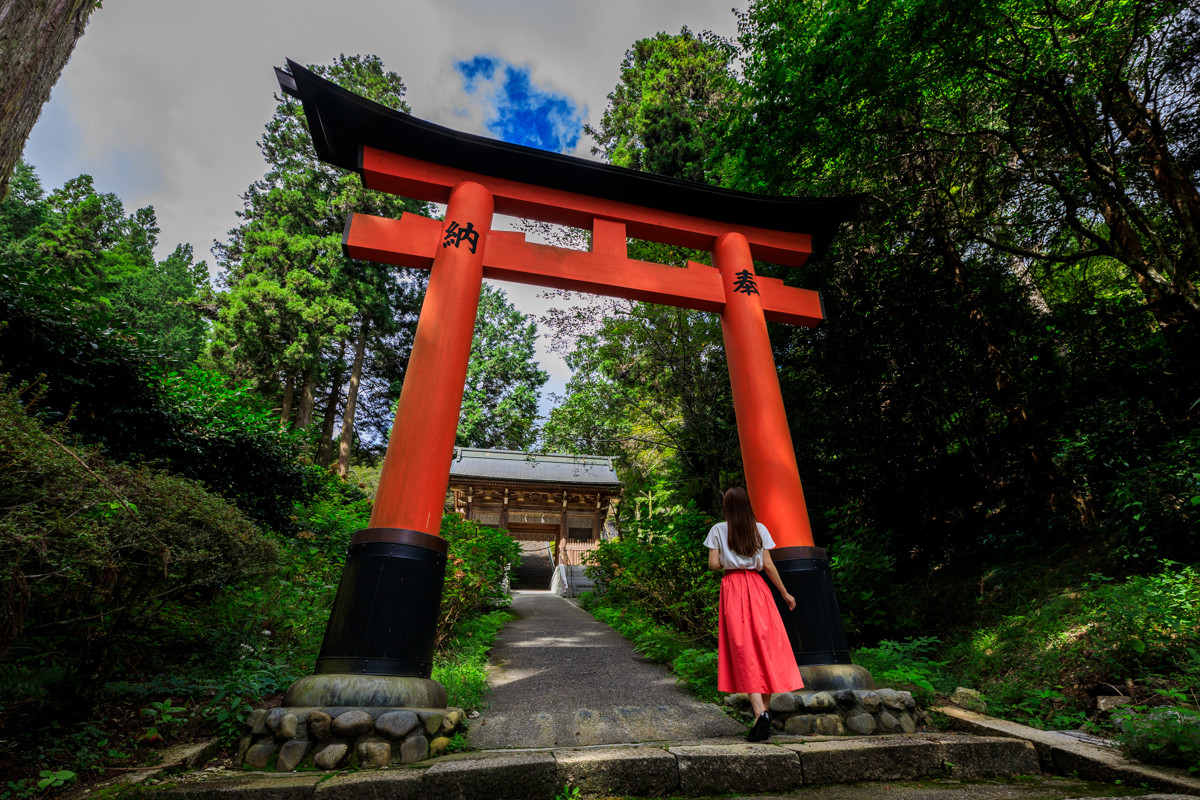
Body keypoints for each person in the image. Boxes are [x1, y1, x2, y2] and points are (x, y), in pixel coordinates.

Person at [704, 486, 803, 741]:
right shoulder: (760, 529)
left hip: (734, 588)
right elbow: (768, 565)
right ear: (747, 504)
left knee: (744, 650)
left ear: (727, 506)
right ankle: (764, 717)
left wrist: (730, 561)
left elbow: (714, 564)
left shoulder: (718, 529)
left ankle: (760, 714)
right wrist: (785, 593)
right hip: (759, 589)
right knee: (764, 649)